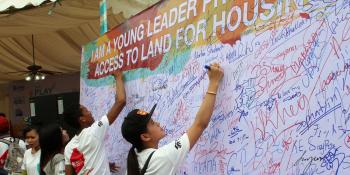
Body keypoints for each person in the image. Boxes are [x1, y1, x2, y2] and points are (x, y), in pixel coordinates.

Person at [121, 63, 224, 175]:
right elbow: (200, 125)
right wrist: (213, 82)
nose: (158, 123)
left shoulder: (135, 159)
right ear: (145, 137)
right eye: (152, 123)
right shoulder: (161, 158)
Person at [64, 71, 126, 175]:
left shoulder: (69, 147)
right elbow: (121, 101)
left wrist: (102, 164)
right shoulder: (94, 130)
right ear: (82, 119)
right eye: (86, 110)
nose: (90, 112)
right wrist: (118, 77)